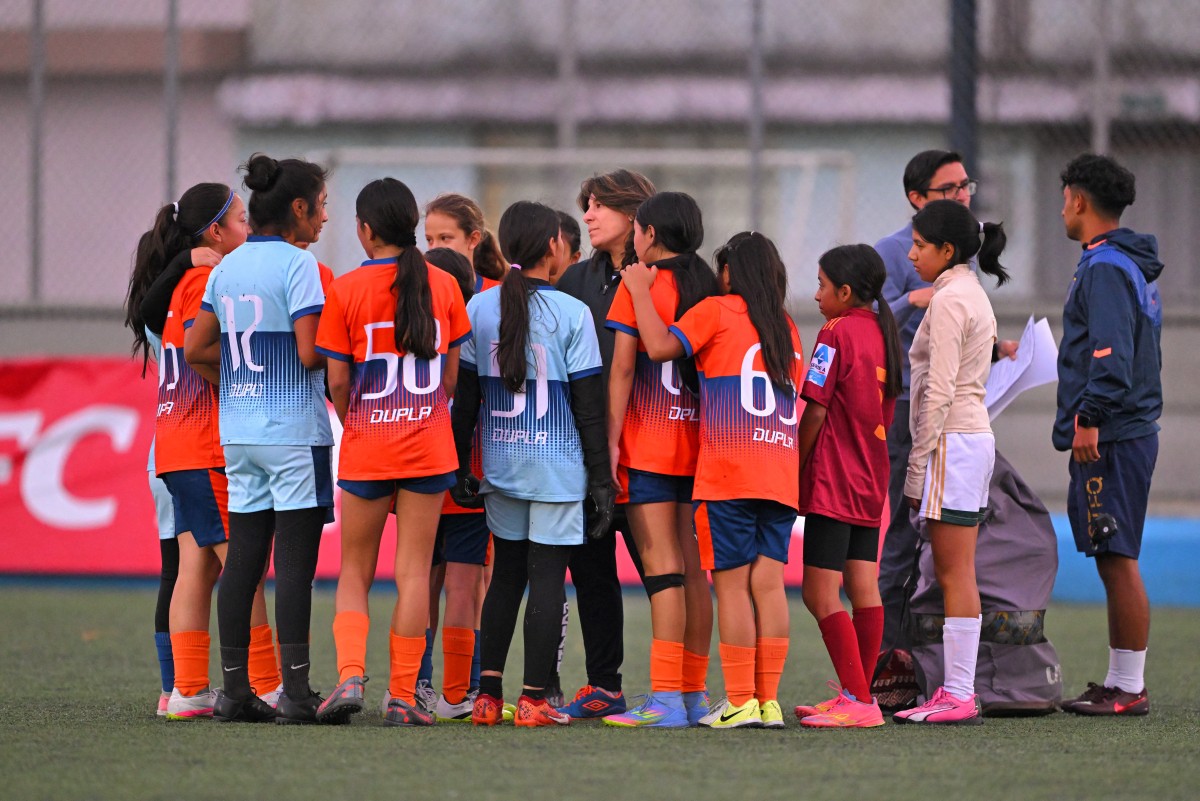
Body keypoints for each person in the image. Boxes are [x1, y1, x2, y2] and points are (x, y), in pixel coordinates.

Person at [622, 231, 801, 730]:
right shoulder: (786, 326)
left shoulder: (717, 310)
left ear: (728, 273)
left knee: (733, 587)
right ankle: (767, 702)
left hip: (729, 474)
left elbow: (659, 347)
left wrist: (638, 291)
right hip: (780, 472)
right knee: (769, 586)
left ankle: (740, 700)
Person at [313, 178, 471, 727]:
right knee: (414, 574)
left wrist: (358, 421)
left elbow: (337, 381)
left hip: (367, 448)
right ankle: (403, 695)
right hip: (428, 447)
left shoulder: (346, 289)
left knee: (354, 572)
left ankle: (350, 676)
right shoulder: (444, 285)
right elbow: (450, 380)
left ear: (364, 230)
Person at [449, 200, 613, 727]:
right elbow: (589, 407)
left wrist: (460, 465)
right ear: (554, 247)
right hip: (558, 473)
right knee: (547, 579)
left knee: (504, 578)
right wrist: (601, 480)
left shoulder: (479, 308)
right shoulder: (573, 313)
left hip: (502, 469)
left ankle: (487, 697)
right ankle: (535, 700)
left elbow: (465, 403)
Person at [185, 152, 334, 724]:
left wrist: (240, 381)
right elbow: (309, 352)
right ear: (297, 208)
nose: (324, 217)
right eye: (320, 206)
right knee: (294, 564)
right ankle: (295, 693)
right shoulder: (299, 265)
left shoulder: (227, 267)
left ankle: (233, 691)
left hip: (239, 431)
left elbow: (197, 348)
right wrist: (349, 349)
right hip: (293, 433)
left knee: (244, 559)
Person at [128, 186, 283, 720]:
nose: (249, 228)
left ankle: (188, 689)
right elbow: (209, 354)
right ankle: (268, 683)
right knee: (244, 568)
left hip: (175, 446)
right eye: (241, 219)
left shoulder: (182, 283)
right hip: (205, 444)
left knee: (194, 567)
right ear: (215, 232)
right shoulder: (210, 282)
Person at [891, 200, 1009, 726]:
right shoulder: (967, 292)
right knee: (955, 570)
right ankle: (957, 691)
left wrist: (917, 468)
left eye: (920, 246)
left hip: (953, 442)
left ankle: (959, 693)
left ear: (947, 250)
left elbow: (938, 391)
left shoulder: (949, 300)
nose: (911, 255)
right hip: (967, 439)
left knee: (955, 570)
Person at [602, 192, 716, 728]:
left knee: (662, 569)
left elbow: (623, 369)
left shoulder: (638, 285)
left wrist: (610, 441)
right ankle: (693, 696)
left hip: (650, 446)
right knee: (693, 571)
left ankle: (665, 699)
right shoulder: (709, 289)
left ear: (650, 235)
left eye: (637, 231)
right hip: (701, 448)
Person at [1055, 154, 1161, 717]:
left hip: (1113, 433)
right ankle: (1122, 682)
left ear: (1078, 199)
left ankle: (1129, 687)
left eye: (1064, 199)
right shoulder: (1118, 261)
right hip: (1122, 430)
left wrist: (1090, 415)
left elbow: (1110, 354)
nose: (1062, 210)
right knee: (1111, 555)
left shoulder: (1104, 266)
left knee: (1117, 557)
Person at [552, 169, 656, 719]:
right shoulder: (575, 280)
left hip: (650, 454)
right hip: (584, 452)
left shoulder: (665, 277)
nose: (587, 215)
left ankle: (680, 687)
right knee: (591, 572)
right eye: (586, 205)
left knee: (664, 576)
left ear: (635, 212)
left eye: (599, 205)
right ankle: (604, 685)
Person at [792, 245, 901, 729]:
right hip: (870, 476)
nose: (816, 295)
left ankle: (858, 699)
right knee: (863, 586)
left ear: (845, 291)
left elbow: (815, 410)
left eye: (821, 285)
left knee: (819, 593)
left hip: (833, 479)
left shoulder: (834, 332)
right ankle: (862, 697)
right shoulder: (884, 332)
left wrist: (796, 464)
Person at [418, 194, 507, 709]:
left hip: (455, 463)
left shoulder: (494, 299)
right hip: (447, 465)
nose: (435, 246)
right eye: (429, 238)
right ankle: (446, 687)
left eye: (445, 238)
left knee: (460, 581)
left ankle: (447, 686)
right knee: (440, 579)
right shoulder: (426, 294)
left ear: (474, 239)